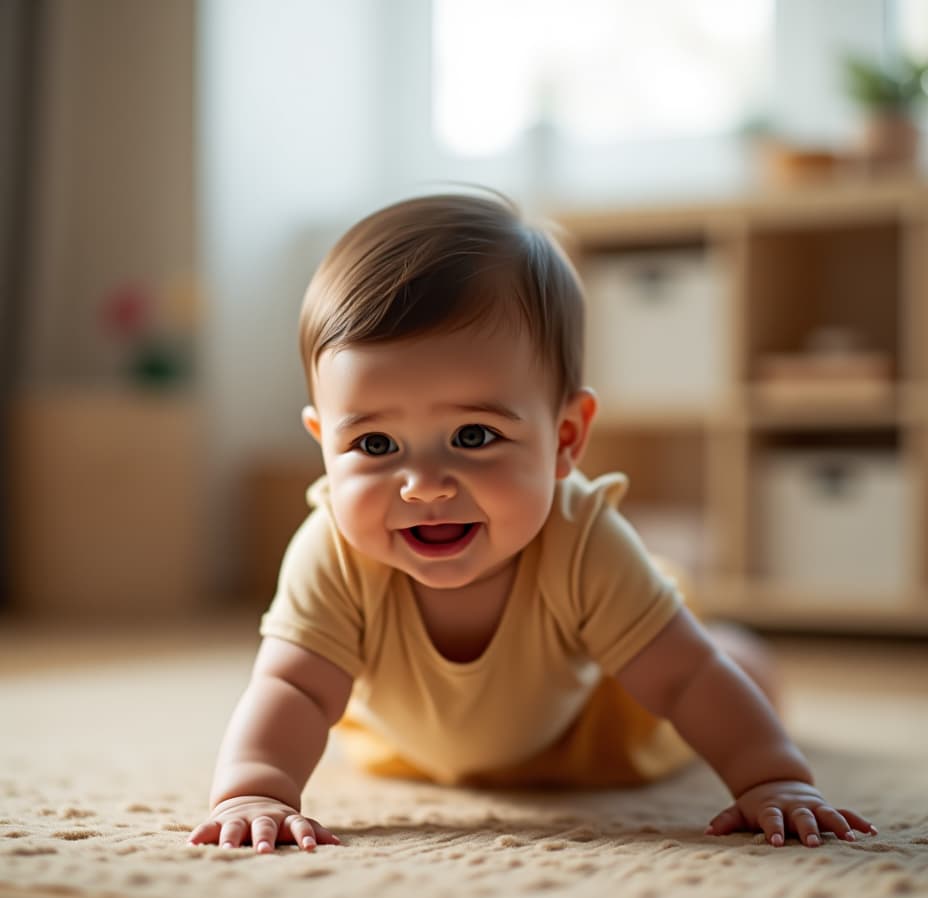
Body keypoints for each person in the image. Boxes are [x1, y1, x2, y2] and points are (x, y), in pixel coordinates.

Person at [188, 190, 877, 855]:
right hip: (411, 745)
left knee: (726, 668)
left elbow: (685, 682)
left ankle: (739, 647)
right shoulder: (331, 550)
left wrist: (774, 779)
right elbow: (296, 687)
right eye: (375, 445)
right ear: (322, 443)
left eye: (473, 436)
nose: (424, 486)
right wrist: (254, 793)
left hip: (589, 732)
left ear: (567, 438)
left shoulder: (582, 544)